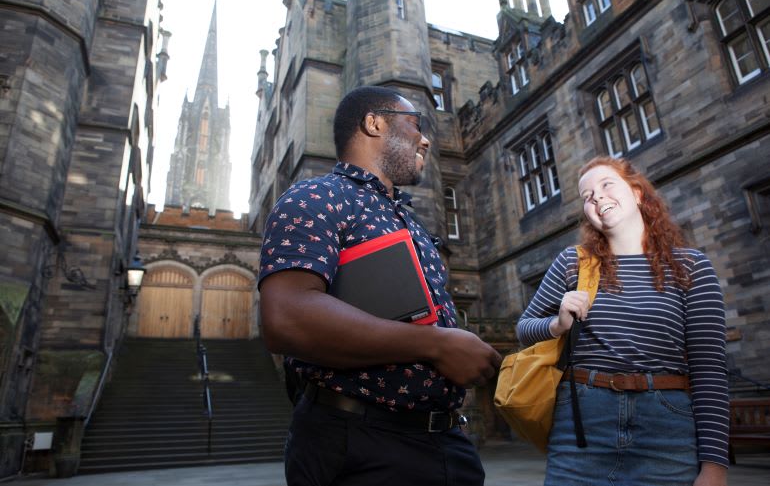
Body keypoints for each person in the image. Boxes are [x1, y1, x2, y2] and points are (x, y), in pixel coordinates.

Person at [258, 85, 502, 486]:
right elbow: (286, 318)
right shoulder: (316, 197)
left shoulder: (410, 220)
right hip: (360, 441)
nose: (425, 138)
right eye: (415, 124)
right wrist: (439, 345)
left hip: (443, 442)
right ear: (374, 123)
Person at [516, 156, 729, 486]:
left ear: (637, 194)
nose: (597, 197)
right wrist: (556, 325)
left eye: (606, 185)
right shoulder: (572, 263)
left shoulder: (691, 267)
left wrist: (715, 465)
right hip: (583, 426)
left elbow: (709, 368)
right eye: (587, 196)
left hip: (667, 427)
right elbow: (524, 329)